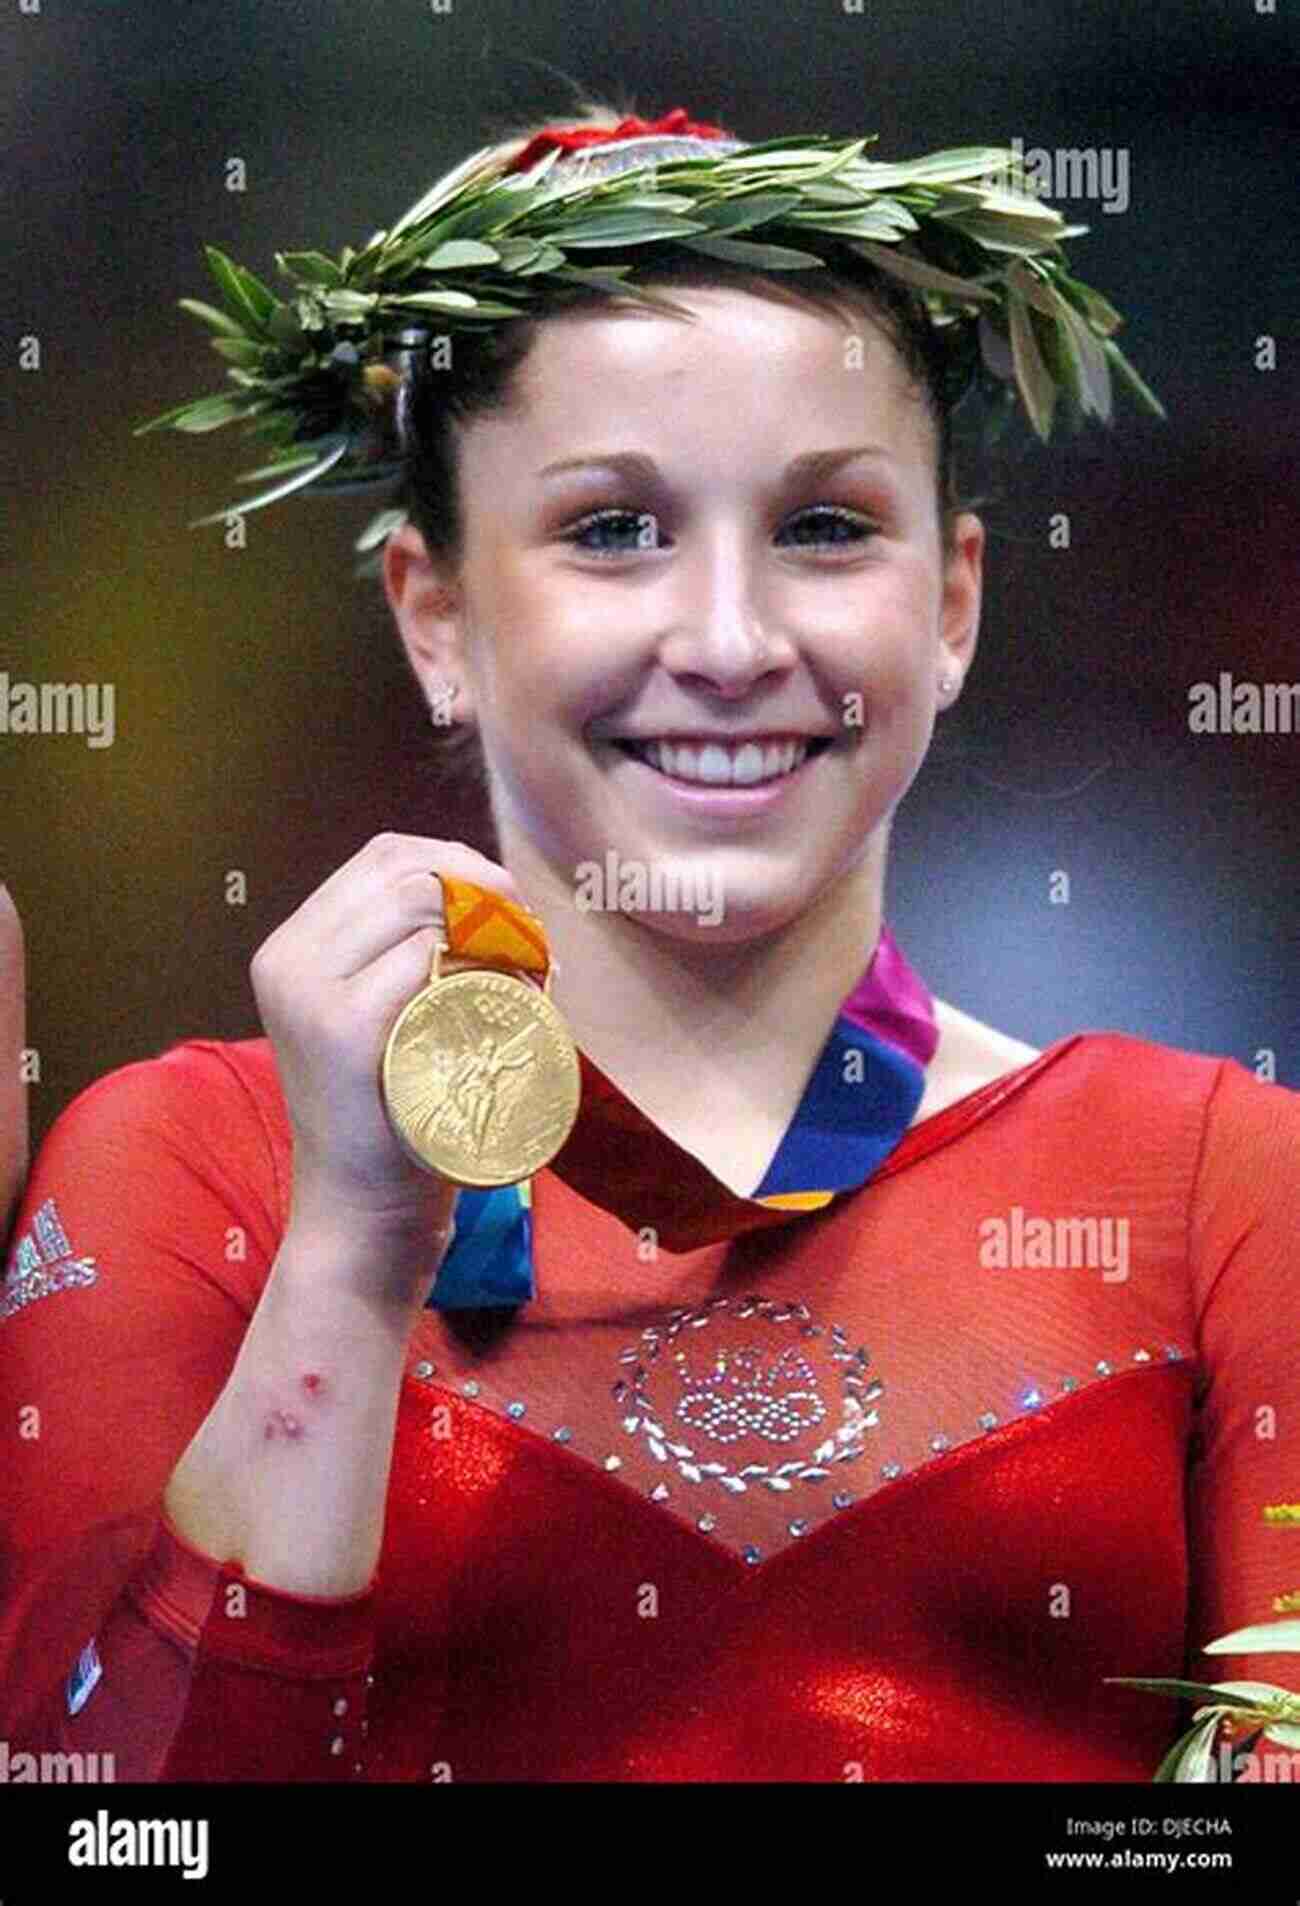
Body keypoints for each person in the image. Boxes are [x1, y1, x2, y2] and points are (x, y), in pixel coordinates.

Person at [2, 98, 1297, 1784]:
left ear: (954, 602)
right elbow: (105, 1831)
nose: (734, 636)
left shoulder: (1217, 1183)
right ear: (437, 614)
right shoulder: (195, 1167)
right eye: (613, 528)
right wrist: (350, 1243)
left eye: (826, 526)